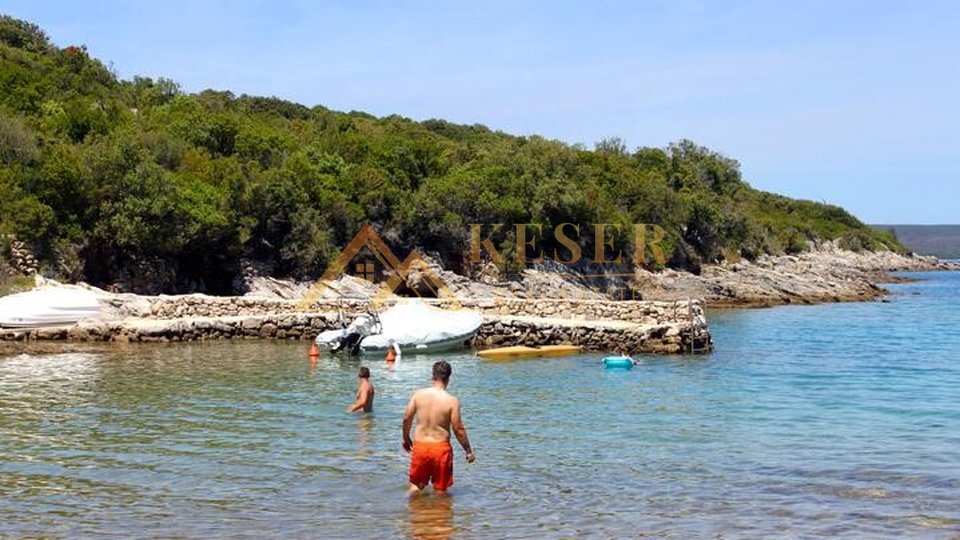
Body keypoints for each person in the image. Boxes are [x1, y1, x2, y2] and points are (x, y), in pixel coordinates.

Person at [402, 360, 475, 495]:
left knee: (415, 487)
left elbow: (407, 418)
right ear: (448, 378)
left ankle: (411, 514)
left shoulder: (418, 395)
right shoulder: (452, 401)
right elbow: (458, 428)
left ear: (432, 376)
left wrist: (406, 438)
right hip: (440, 449)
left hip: (421, 447)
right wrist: (468, 450)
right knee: (441, 491)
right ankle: (439, 515)